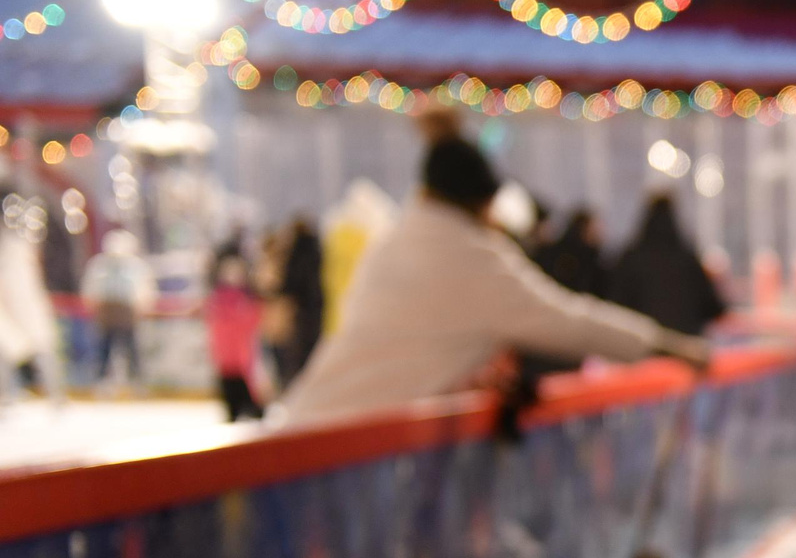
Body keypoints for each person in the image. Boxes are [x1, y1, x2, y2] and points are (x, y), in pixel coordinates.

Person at [269, 120, 708, 427]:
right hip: (350, 449)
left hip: (309, 424)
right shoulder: (469, 257)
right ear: (483, 203)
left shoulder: (397, 239)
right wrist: (666, 345)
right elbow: (571, 322)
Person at [607, 195, 726, 337]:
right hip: (685, 346)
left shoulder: (630, 258)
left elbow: (616, 306)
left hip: (643, 345)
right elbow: (713, 307)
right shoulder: (687, 258)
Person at [80, 227, 152, 394]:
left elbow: (144, 289)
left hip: (127, 313)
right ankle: (101, 380)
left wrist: (141, 305)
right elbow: (91, 287)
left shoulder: (135, 266)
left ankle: (137, 381)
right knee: (104, 348)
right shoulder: (100, 265)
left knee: (131, 348)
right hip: (107, 312)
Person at [203, 244, 265, 421]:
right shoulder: (217, 299)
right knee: (232, 408)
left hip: (245, 361)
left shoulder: (248, 299)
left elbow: (254, 322)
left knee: (254, 406)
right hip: (226, 360)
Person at [278, 214, 327, 380]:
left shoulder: (297, 252)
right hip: (319, 308)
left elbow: (291, 282)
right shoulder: (320, 249)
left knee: (298, 353)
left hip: (301, 310)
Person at [537, 207, 612, 298]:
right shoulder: (564, 252)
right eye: (594, 229)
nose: (599, 233)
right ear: (583, 228)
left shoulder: (594, 262)